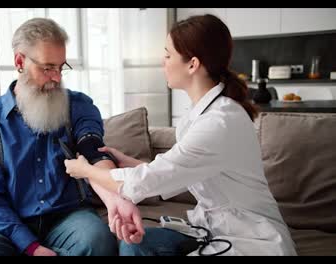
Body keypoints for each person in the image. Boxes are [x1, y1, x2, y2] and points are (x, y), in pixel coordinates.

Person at [64, 14, 297, 256]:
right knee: (134, 245)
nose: (162, 61)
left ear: (192, 64)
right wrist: (129, 162)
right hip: (211, 228)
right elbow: (179, 172)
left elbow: (142, 182)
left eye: (168, 55)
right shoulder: (196, 115)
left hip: (249, 237)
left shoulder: (220, 123)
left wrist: (85, 171)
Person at [0, 18, 144, 256]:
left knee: (98, 240)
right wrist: (31, 247)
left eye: (60, 67)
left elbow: (93, 151)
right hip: (8, 225)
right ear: (19, 61)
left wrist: (117, 197)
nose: (56, 77)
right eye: (47, 68)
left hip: (68, 217)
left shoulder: (78, 105)